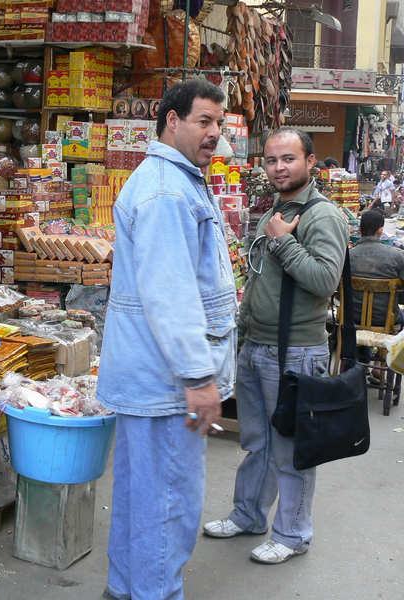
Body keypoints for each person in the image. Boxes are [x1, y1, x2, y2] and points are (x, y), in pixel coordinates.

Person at [97, 79, 237, 599]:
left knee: (141, 497)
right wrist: (199, 377)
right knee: (168, 506)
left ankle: (125, 588)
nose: (214, 134)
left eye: (218, 124)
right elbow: (171, 295)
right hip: (165, 385)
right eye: (204, 121)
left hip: (152, 380)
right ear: (171, 121)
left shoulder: (177, 180)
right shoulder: (167, 192)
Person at [203, 127, 349, 564]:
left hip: (297, 351)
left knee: (290, 450)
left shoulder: (322, 216)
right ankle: (248, 515)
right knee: (257, 443)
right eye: (271, 160)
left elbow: (325, 279)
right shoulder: (277, 208)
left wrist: (283, 241)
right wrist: (243, 336)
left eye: (288, 159)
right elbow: (261, 282)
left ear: (309, 161)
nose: (279, 167)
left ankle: (292, 533)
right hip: (258, 346)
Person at [350, 209, 404, 327]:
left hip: (352, 318)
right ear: (381, 230)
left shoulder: (347, 256)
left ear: (360, 230)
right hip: (386, 321)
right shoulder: (397, 256)